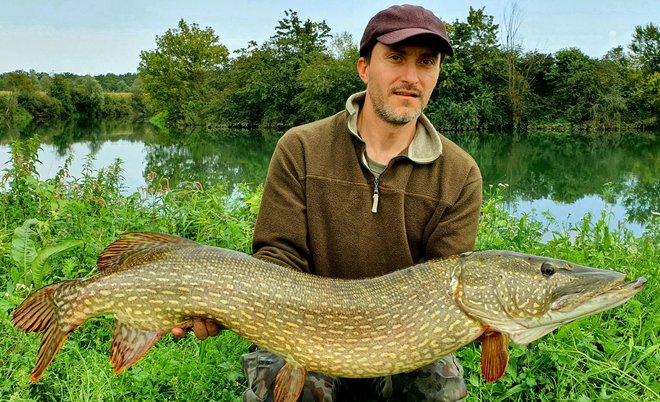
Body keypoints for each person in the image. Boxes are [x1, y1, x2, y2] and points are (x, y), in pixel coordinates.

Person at [173, 4, 482, 401]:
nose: (411, 77)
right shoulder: (301, 147)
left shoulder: (460, 173)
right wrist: (222, 303)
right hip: (297, 326)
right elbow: (278, 256)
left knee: (436, 388)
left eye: (427, 62)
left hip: (403, 337)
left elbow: (444, 283)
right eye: (395, 58)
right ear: (364, 67)